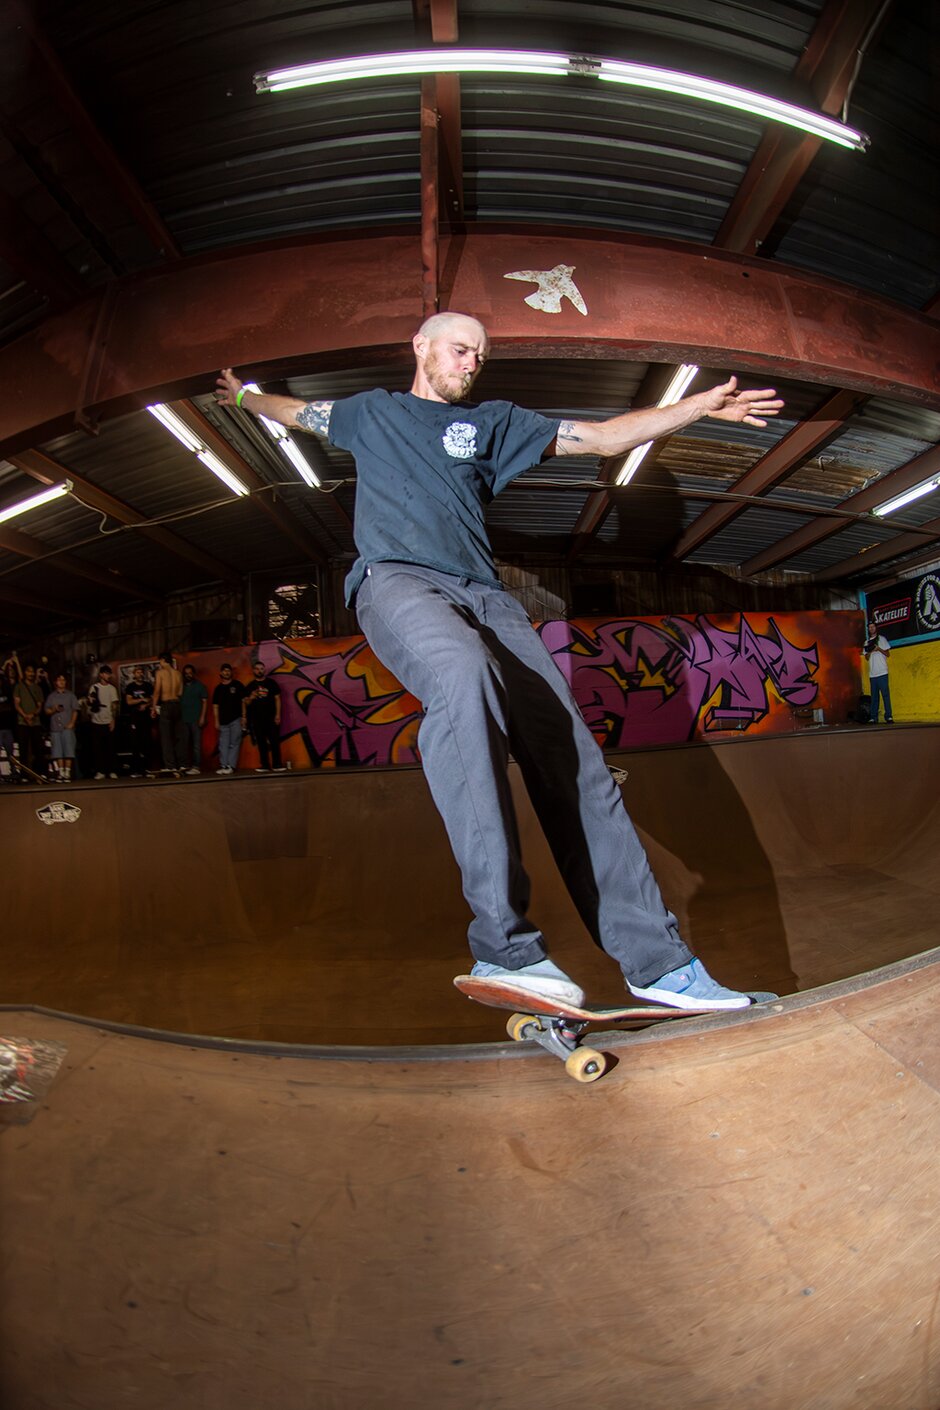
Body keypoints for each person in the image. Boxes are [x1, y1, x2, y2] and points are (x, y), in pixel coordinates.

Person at [216, 312, 784, 1011]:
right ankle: (506, 948)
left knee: (573, 758)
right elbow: (298, 412)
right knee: (461, 676)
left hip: (487, 596)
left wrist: (696, 406)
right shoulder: (372, 414)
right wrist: (243, 396)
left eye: (480, 356)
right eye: (460, 350)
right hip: (397, 580)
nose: (471, 364)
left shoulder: (494, 423)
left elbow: (603, 436)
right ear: (421, 347)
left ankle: (658, 964)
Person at [243, 660, 286, 773]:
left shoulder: (271, 683)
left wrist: (277, 715)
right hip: (257, 719)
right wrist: (251, 697)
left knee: (274, 741)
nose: (259, 671)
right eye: (257, 669)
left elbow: (277, 699)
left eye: (261, 669)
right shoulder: (250, 686)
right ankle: (265, 765)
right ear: (253, 670)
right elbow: (246, 703)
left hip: (271, 717)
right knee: (261, 743)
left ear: (264, 670)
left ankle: (277, 764)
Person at [151, 651, 187, 775]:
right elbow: (181, 692)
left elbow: (157, 691)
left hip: (166, 705)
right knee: (178, 736)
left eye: (160, 661)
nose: (159, 663)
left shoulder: (160, 673)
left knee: (166, 737)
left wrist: (153, 708)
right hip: (177, 704)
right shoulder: (178, 674)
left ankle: (170, 765)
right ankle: (182, 764)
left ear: (163, 660)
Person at [44, 673, 79, 782]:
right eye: (59, 680)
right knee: (57, 750)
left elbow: (75, 710)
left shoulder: (71, 695)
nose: (61, 682)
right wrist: (54, 709)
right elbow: (46, 711)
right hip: (55, 728)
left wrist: (72, 723)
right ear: (56, 682)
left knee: (68, 750)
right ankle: (60, 772)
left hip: (67, 726)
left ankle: (67, 772)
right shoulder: (51, 696)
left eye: (63, 680)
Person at [13, 662, 46, 779]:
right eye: (28, 671)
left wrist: (32, 715)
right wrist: (25, 715)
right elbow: (17, 704)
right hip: (22, 721)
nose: (31, 674)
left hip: (35, 722)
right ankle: (23, 774)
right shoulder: (19, 686)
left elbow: (40, 705)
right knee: (23, 749)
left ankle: (40, 772)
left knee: (38, 748)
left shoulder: (37, 688)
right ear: (25, 673)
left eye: (32, 672)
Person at [212, 662, 245, 775]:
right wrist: (216, 720)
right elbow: (215, 706)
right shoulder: (218, 689)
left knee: (234, 743)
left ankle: (231, 766)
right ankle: (224, 765)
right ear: (221, 673)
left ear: (231, 672)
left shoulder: (238, 685)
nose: (226, 672)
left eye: (228, 670)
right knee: (223, 744)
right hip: (223, 721)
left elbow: (243, 701)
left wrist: (244, 717)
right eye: (224, 670)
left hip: (236, 719)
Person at [88, 664, 119, 779]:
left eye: (109, 673)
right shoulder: (94, 687)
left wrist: (113, 719)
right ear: (101, 674)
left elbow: (114, 705)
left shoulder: (112, 688)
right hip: (96, 721)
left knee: (110, 748)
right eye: (106, 673)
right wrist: (90, 701)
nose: (108, 675)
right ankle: (100, 771)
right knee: (98, 749)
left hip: (108, 720)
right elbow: (90, 701)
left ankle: (112, 770)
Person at [124, 665, 154, 776]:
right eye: (137, 672)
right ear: (134, 674)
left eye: (141, 672)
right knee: (135, 744)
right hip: (134, 718)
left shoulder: (148, 686)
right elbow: (129, 702)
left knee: (147, 742)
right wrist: (141, 699)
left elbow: (152, 699)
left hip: (146, 718)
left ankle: (147, 768)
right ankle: (136, 769)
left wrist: (146, 705)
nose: (140, 674)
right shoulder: (130, 687)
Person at [862, 621, 893, 724]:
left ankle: (888, 716)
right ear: (868, 629)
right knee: (874, 697)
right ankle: (873, 717)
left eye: (873, 627)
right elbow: (866, 657)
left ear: (876, 628)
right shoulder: (866, 642)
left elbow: (888, 654)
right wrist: (870, 651)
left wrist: (878, 648)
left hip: (882, 672)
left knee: (885, 695)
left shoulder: (882, 639)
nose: (871, 629)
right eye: (869, 627)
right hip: (872, 674)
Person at [181, 663, 208, 774]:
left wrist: (202, 717)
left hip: (196, 719)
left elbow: (205, 702)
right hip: (183, 719)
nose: (188, 675)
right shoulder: (181, 686)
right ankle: (185, 766)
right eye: (186, 673)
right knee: (184, 744)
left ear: (194, 674)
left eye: (190, 673)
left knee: (196, 745)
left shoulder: (200, 686)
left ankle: (196, 767)